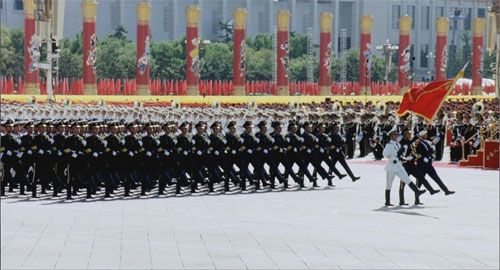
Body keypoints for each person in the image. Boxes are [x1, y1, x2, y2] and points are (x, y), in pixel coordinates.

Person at [382, 128, 426, 206]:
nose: (396, 136)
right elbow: (385, 154)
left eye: (397, 135)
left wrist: (405, 158)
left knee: (406, 179)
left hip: (399, 166)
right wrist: (393, 158)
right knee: (389, 184)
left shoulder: (398, 144)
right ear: (391, 136)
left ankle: (417, 191)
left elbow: (400, 155)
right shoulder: (389, 145)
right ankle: (387, 201)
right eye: (395, 135)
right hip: (392, 166)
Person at [415, 130, 455, 196]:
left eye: (426, 134)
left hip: (428, 164)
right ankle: (416, 199)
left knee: (436, 178)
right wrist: (422, 158)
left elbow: (429, 150)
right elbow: (415, 153)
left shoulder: (426, 142)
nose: (426, 135)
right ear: (421, 136)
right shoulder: (417, 143)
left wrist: (432, 152)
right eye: (425, 134)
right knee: (419, 183)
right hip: (421, 165)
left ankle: (446, 190)